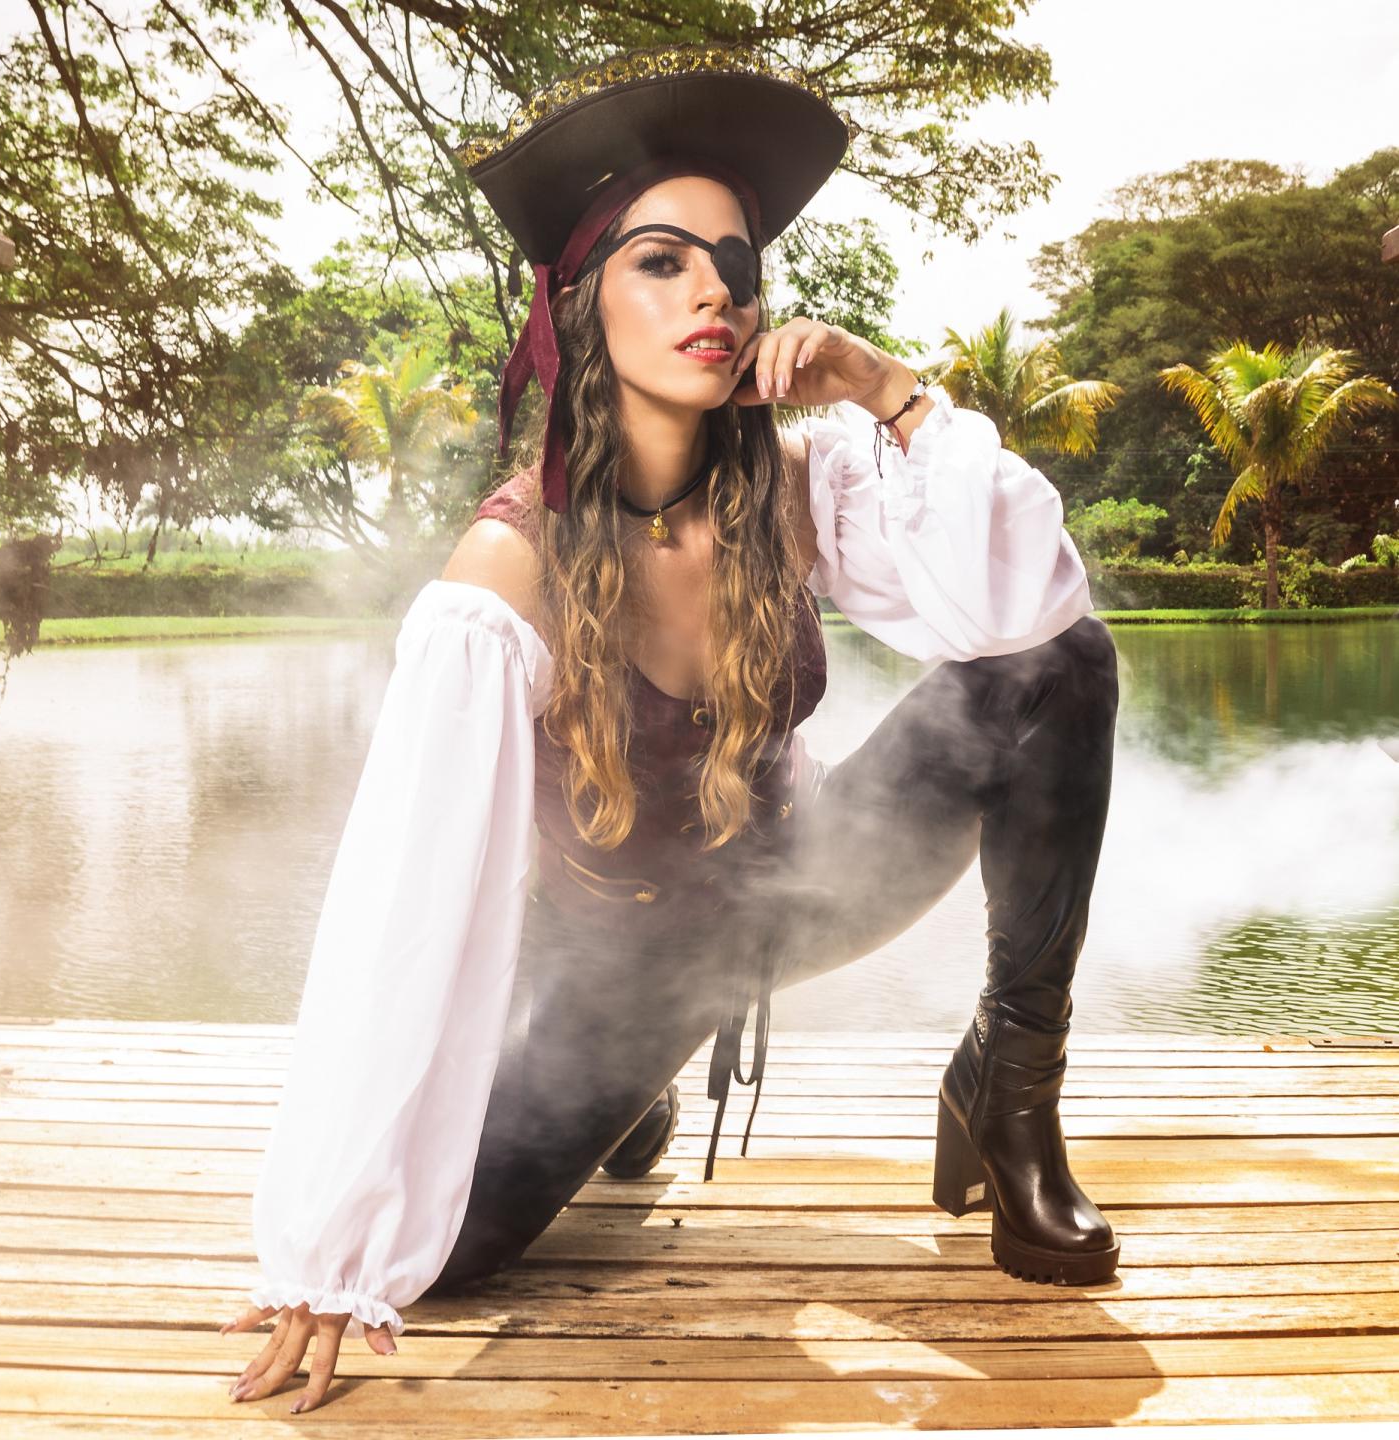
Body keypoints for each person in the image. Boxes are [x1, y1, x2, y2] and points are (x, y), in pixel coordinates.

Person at [222, 43, 1121, 1416]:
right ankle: (621, 1095)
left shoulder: (797, 483)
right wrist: (330, 1247)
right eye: (661, 261)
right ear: (580, 305)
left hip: (802, 883)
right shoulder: (506, 572)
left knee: (1060, 662)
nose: (713, 290)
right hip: (626, 964)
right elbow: (404, 905)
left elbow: (1015, 604)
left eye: (734, 265)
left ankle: (1010, 1083)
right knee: (438, 1258)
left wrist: (887, 388)